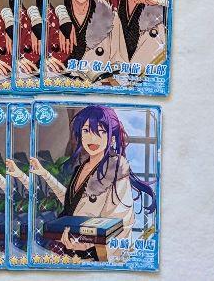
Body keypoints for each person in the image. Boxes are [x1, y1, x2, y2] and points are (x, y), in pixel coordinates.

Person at [29, 105, 155, 261]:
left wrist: (89, 245)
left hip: (95, 254)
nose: (92, 138)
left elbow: (123, 221)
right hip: (69, 248)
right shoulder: (81, 167)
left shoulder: (115, 170)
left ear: (112, 137)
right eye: (86, 130)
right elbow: (71, 203)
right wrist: (45, 174)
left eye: (101, 131)